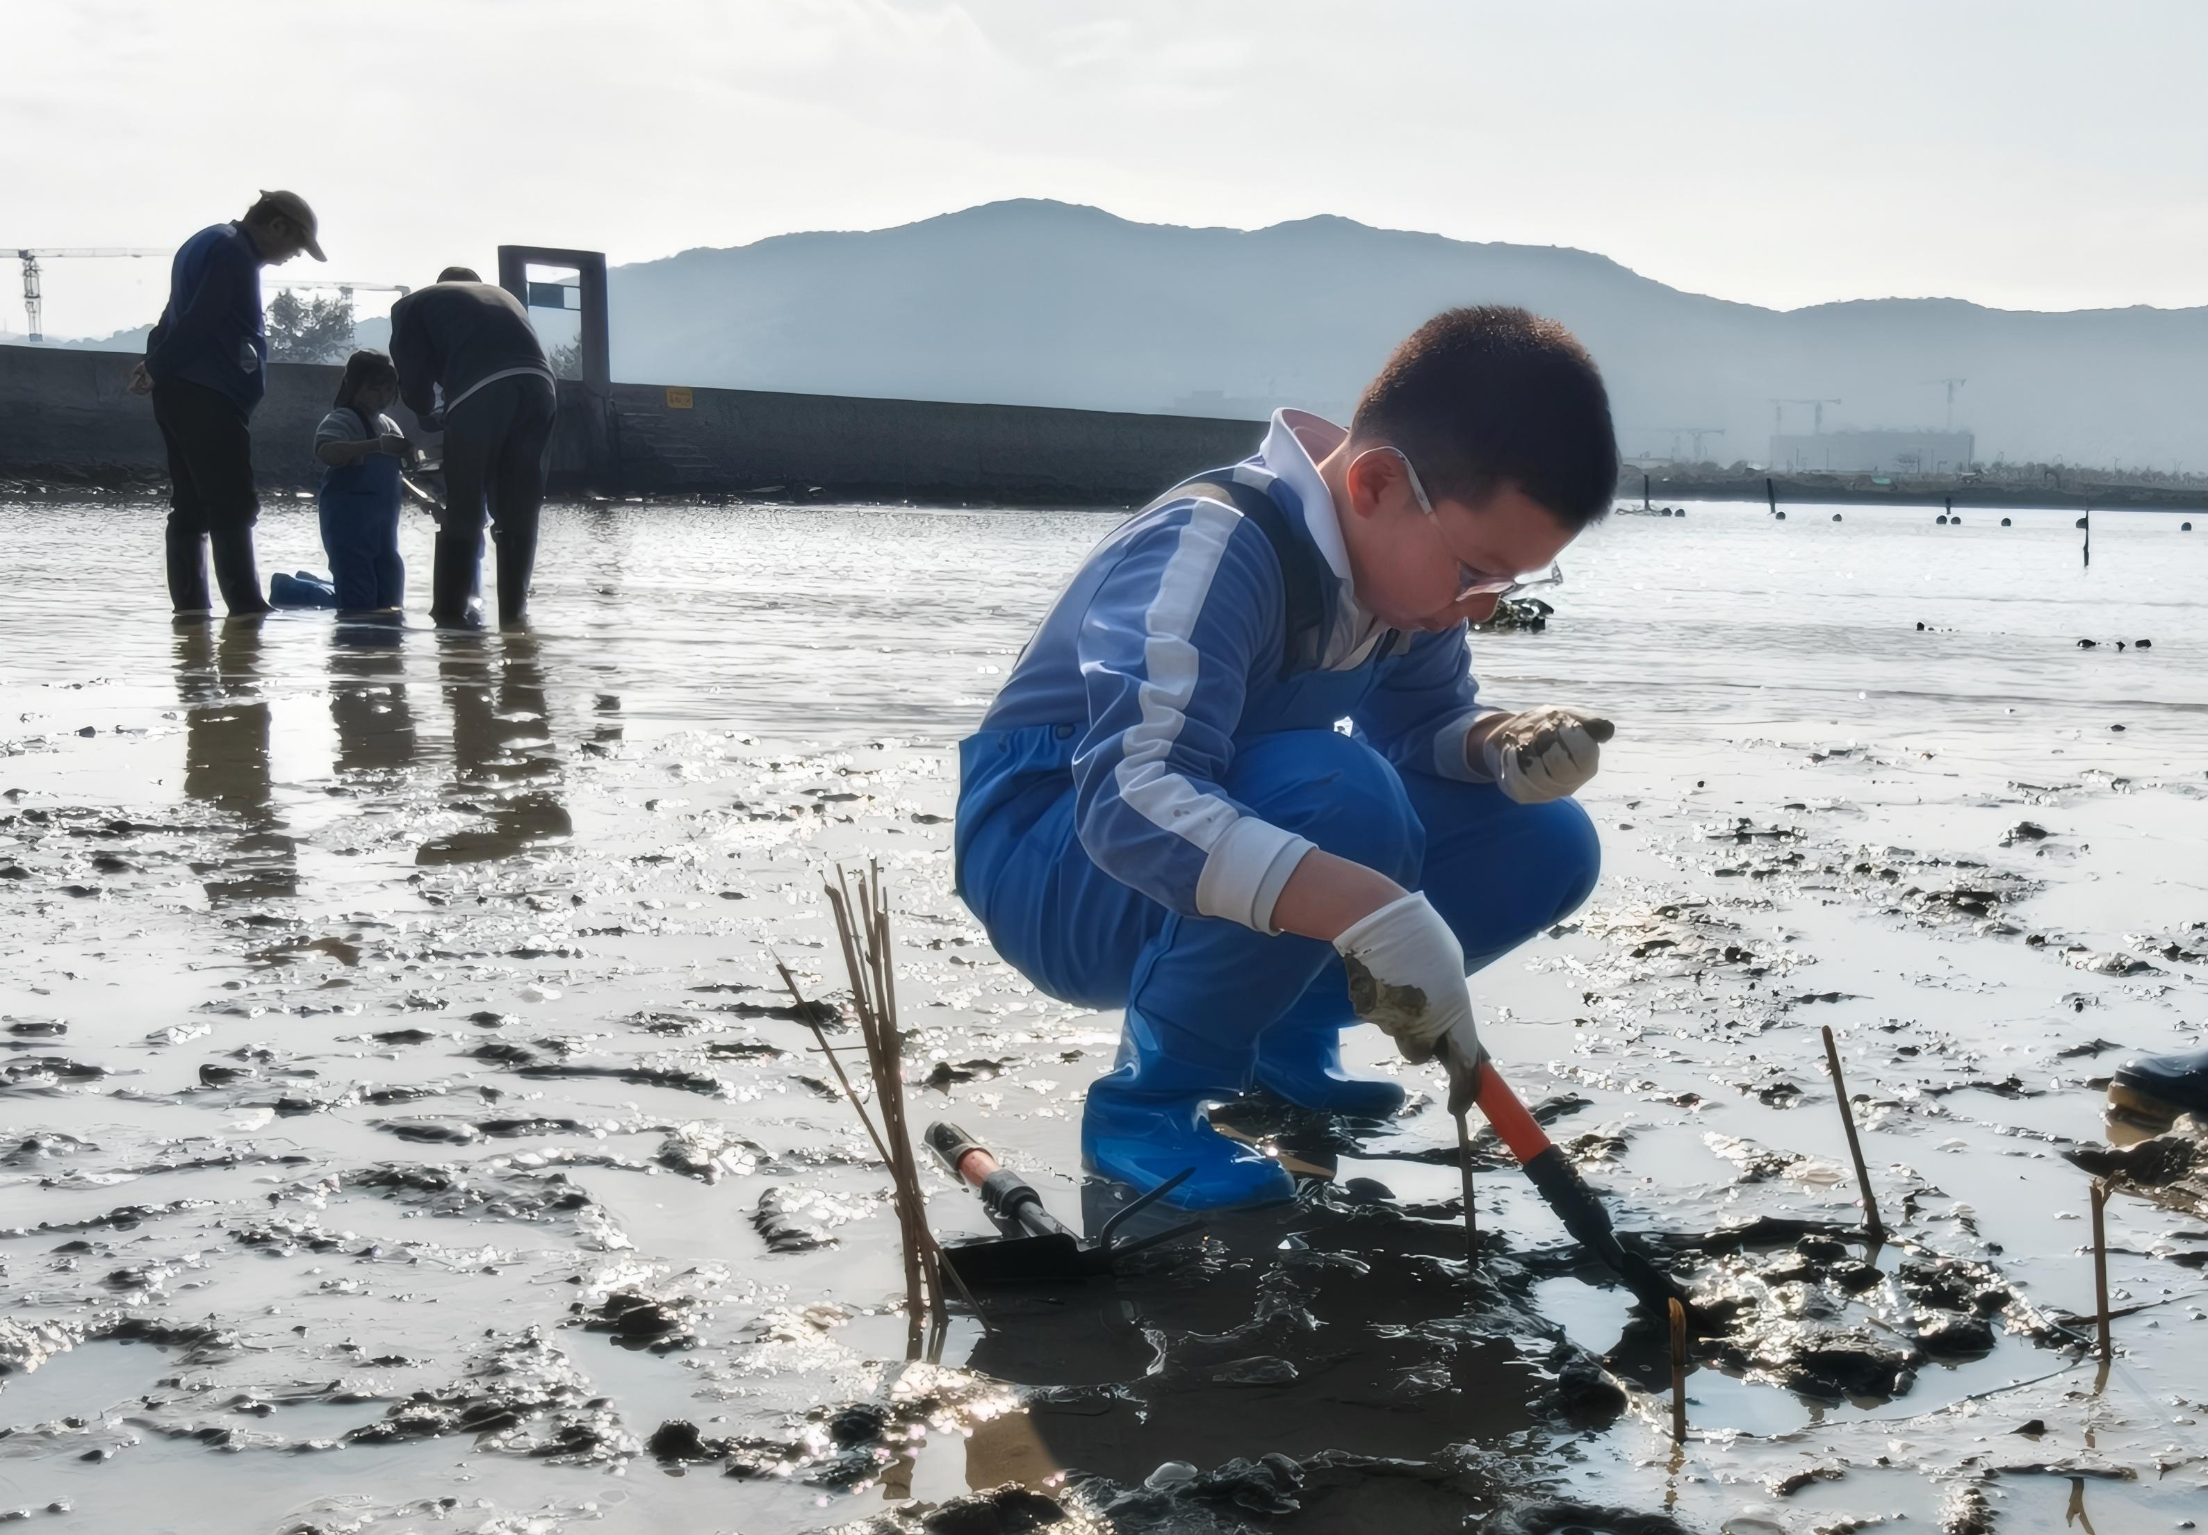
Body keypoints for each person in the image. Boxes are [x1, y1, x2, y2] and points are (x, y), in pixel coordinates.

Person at [954, 307, 1620, 1210]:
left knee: (1545, 841)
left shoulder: (1398, 587)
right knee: (1341, 793)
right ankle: (1147, 1108)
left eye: (1503, 586)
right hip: (1049, 853)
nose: (1478, 608)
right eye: (1474, 572)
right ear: (1379, 483)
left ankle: (1284, 1034)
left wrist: (1503, 743)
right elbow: (1129, 794)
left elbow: (1422, 727)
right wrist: (1366, 908)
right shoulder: (1215, 545)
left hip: (1185, 830)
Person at [132, 191, 325, 617]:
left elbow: (174, 315)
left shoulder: (206, 241)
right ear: (275, 226)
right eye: (296, 245)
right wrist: (160, 365)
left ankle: (192, 615)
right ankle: (246, 610)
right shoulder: (233, 252)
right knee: (231, 502)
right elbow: (203, 317)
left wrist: (157, 365)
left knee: (192, 504)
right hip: (208, 394)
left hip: (184, 391)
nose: (294, 255)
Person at [387, 267, 556, 627]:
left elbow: (412, 379)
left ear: (440, 284)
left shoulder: (413, 305)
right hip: (541, 387)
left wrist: (424, 414)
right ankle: (514, 619)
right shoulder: (502, 298)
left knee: (464, 508)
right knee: (519, 514)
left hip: (482, 388)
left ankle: (450, 621)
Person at [311, 349, 411, 611]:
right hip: (348, 529)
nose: (382, 397)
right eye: (373, 389)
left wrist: (425, 500)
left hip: (383, 533)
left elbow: (396, 473)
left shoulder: (389, 425)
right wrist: (375, 445)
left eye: (388, 390)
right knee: (357, 596)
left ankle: (386, 647)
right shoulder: (342, 419)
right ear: (354, 387)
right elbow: (327, 451)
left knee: (391, 594)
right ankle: (354, 646)